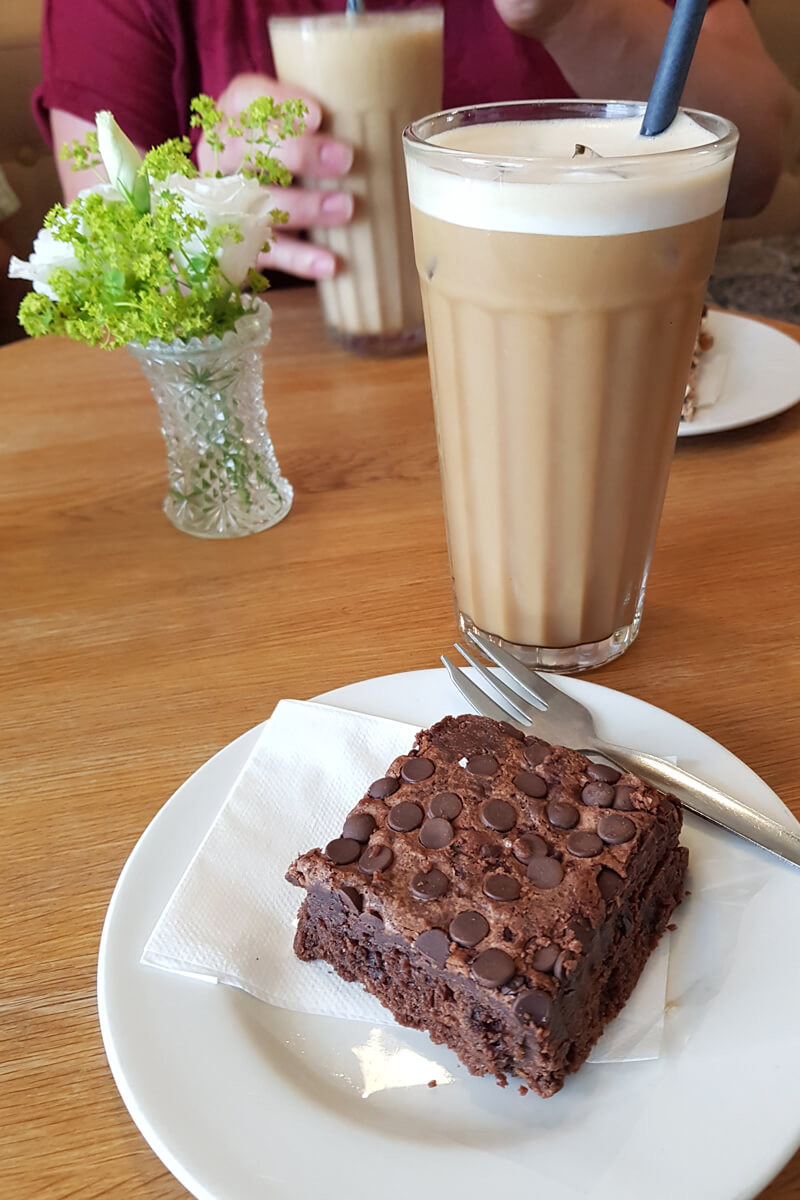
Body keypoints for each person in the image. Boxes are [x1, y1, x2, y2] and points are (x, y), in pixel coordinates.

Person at [37, 0, 793, 283]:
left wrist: (574, 17)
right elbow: (99, 266)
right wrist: (205, 212)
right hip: (295, 437)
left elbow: (757, 162)